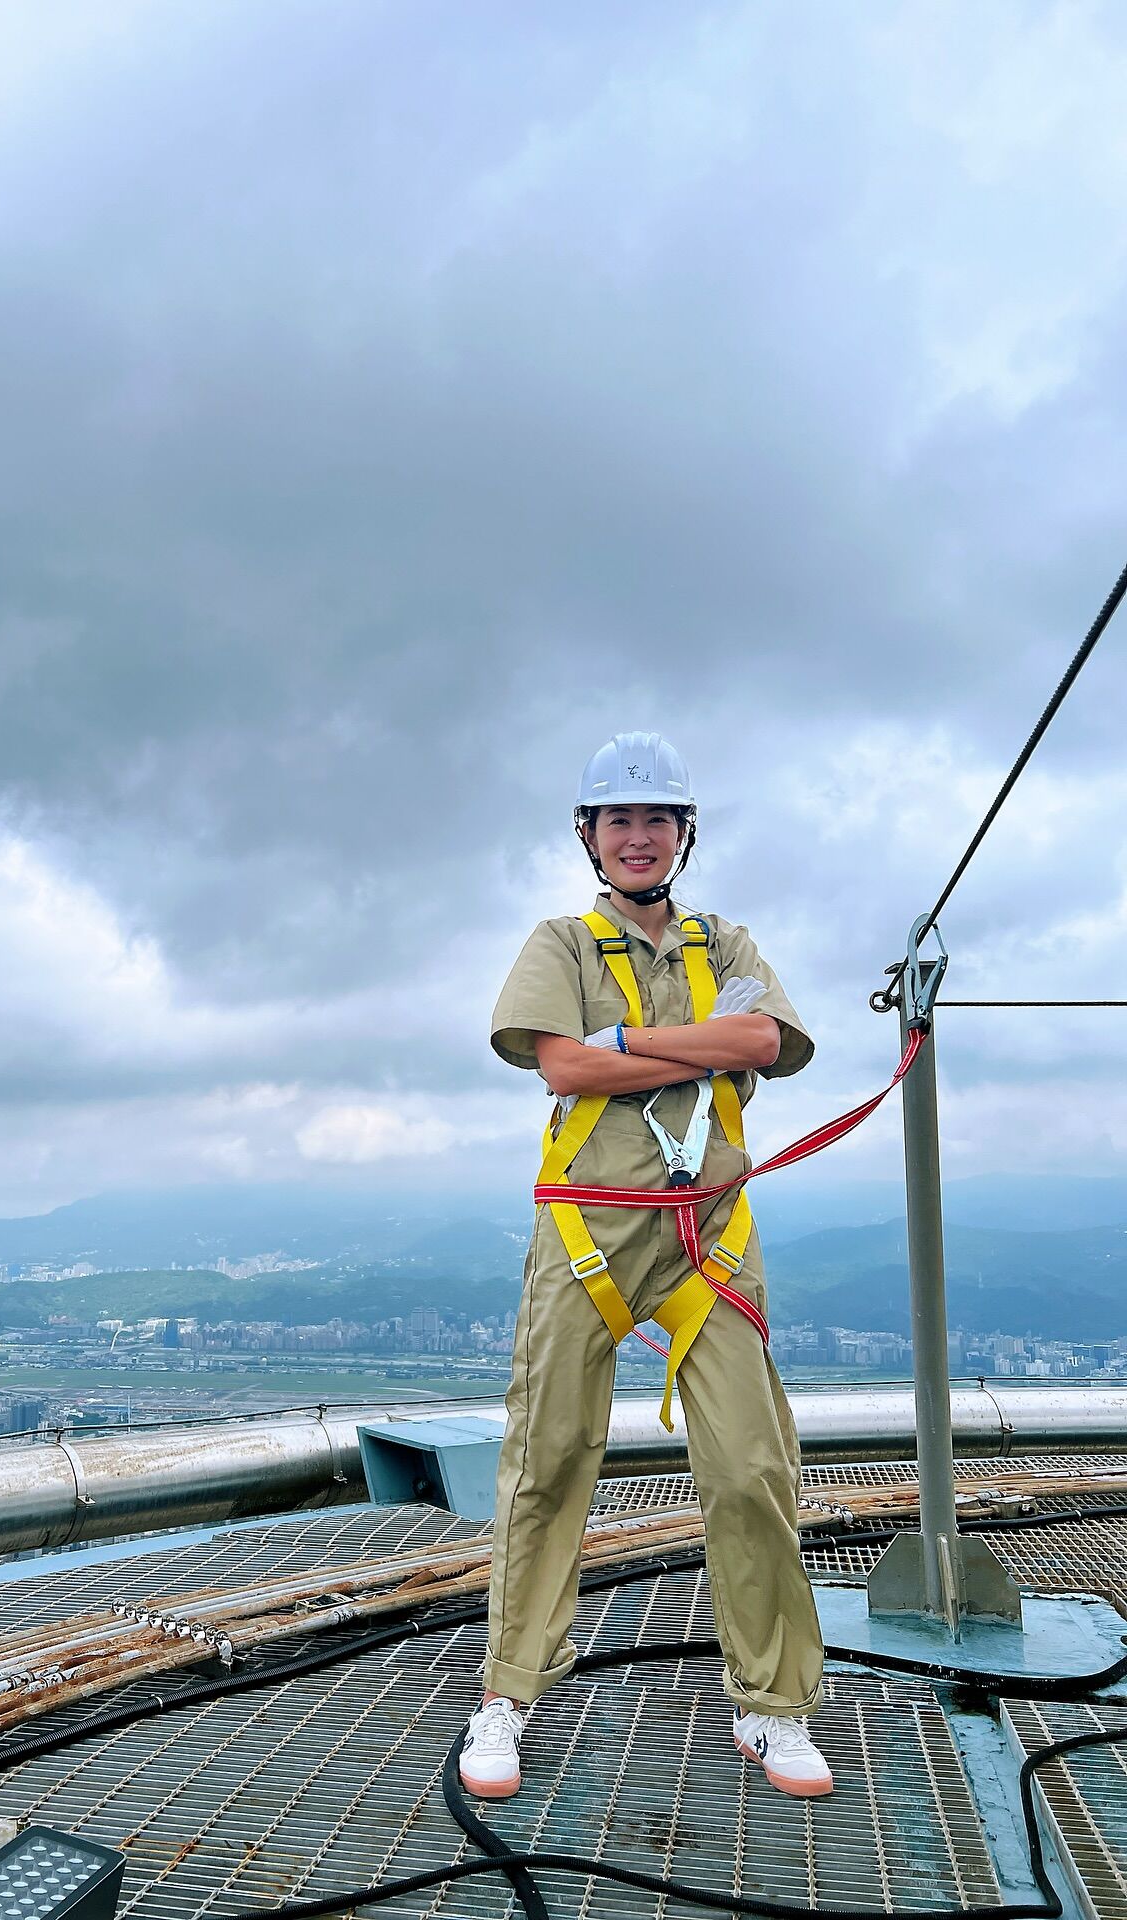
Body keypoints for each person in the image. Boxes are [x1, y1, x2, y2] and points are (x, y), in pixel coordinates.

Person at [459, 730, 831, 1801]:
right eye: (618, 820)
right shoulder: (561, 944)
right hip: (590, 1233)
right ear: (589, 835)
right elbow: (561, 1065)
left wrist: (621, 1045)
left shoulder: (728, 941)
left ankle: (772, 1703)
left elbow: (764, 1045)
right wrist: (691, 1041)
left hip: (708, 1235)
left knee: (753, 1465)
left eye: (656, 819)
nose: (638, 837)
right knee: (548, 1457)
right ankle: (509, 1691)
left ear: (683, 833)